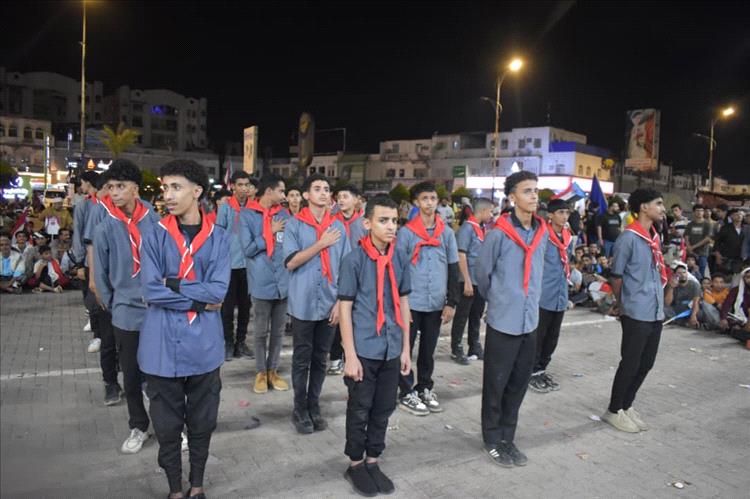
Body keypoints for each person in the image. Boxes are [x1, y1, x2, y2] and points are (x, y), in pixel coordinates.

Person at [138, 159, 230, 499]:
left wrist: (173, 283)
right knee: (167, 427)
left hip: (205, 347)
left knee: (202, 422)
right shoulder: (154, 235)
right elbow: (151, 290)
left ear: (197, 191)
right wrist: (198, 301)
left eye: (176, 187)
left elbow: (218, 291)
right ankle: (175, 489)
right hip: (161, 346)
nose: (168, 195)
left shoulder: (219, 238)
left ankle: (197, 485)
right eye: (165, 188)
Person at [337, 195, 411, 497]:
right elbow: (345, 309)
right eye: (383, 220)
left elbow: (403, 303)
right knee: (359, 409)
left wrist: (406, 349)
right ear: (367, 223)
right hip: (364, 350)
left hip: (391, 347)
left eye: (394, 220)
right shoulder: (354, 260)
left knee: (384, 408)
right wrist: (350, 356)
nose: (391, 226)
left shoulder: (399, 256)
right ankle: (355, 464)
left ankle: (373, 459)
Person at [476, 171, 547, 467]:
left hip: (530, 320)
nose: (534, 196)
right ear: (512, 197)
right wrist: (500, 299)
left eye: (535, 190)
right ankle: (492, 438)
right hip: (504, 320)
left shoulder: (542, 232)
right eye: (527, 191)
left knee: (518, 383)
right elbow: (483, 274)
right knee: (496, 383)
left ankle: (508, 436)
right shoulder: (499, 233)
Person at [93, 159, 162, 454]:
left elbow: (168, 263)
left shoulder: (156, 222)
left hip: (156, 310)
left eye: (120, 186)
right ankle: (139, 426)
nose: (114, 192)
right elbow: (101, 275)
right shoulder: (106, 226)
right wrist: (116, 304)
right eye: (110, 187)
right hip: (125, 312)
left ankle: (170, 426)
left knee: (162, 376)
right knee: (131, 377)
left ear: (135, 188)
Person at [283, 174, 350, 434]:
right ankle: (299, 408)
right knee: (302, 359)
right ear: (306, 195)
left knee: (321, 359)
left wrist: (340, 302)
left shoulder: (338, 227)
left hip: (330, 303)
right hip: (303, 303)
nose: (323, 193)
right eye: (317, 188)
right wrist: (321, 244)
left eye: (326, 189)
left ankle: (314, 405)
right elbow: (291, 262)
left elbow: (346, 268)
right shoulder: (294, 225)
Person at [604, 188, 666, 433]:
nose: (662, 208)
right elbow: (616, 276)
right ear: (643, 207)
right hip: (636, 310)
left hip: (655, 309)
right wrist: (623, 303)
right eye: (658, 203)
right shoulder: (628, 238)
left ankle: (626, 405)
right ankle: (613, 410)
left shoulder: (654, 236)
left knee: (647, 362)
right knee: (630, 362)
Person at [396, 182, 459, 416]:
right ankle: (405, 391)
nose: (430, 203)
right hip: (411, 303)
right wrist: (400, 303)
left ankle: (424, 387)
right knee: (406, 348)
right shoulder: (406, 233)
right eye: (425, 199)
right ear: (416, 202)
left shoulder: (446, 233)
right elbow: (398, 269)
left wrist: (451, 302)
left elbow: (453, 268)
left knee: (428, 351)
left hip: (435, 303)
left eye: (433, 198)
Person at [240, 174, 291, 394]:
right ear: (269, 191)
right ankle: (260, 372)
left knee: (278, 332)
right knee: (260, 332)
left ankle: (273, 371)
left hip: (283, 282)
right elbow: (248, 249)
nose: (284, 195)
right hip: (261, 282)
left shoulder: (284, 215)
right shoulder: (247, 215)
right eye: (281, 191)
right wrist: (268, 232)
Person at [529, 199, 572, 393]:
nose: (564, 216)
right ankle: (531, 372)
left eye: (567, 213)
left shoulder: (567, 237)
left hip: (560, 295)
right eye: (561, 212)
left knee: (552, 337)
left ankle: (541, 369)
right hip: (543, 294)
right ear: (550, 215)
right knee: (538, 336)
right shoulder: (542, 236)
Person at [215, 171, 256, 361]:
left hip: (249, 265)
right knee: (228, 308)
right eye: (240, 185)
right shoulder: (225, 208)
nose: (244, 188)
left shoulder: (254, 208)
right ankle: (228, 344)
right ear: (232, 186)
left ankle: (241, 342)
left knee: (245, 308)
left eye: (247, 185)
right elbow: (219, 235)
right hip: (229, 265)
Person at [328, 184, 368, 375]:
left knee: (356, 317)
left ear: (356, 199)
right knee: (337, 318)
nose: (341, 200)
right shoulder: (331, 221)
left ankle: (353, 356)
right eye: (339, 197)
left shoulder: (363, 224)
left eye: (345, 196)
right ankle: (335, 358)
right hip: (335, 275)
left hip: (359, 276)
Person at [450, 198, 492, 365]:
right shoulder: (467, 228)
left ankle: (474, 346)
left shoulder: (481, 229)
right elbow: (461, 255)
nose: (491, 215)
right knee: (462, 316)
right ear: (482, 211)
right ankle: (456, 348)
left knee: (476, 315)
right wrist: (466, 280)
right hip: (468, 281)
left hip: (479, 281)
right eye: (490, 211)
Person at [664, 263, 702, 328]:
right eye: (679, 273)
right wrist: (671, 288)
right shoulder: (671, 284)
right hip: (675, 310)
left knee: (700, 312)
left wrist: (693, 315)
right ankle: (683, 322)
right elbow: (667, 303)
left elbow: (696, 302)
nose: (682, 275)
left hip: (690, 310)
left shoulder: (694, 285)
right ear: (675, 275)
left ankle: (684, 322)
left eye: (684, 272)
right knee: (663, 311)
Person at [719, 268, 750, 345]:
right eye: (748, 277)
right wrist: (723, 318)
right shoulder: (735, 290)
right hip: (739, 320)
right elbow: (726, 305)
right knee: (736, 328)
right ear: (743, 278)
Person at [714, 209, 746, 276]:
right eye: (736, 214)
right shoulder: (725, 228)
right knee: (725, 276)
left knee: (738, 278)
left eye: (741, 214)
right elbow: (717, 241)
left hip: (740, 258)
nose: (739, 216)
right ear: (731, 216)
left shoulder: (746, 229)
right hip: (726, 257)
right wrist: (717, 255)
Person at [685, 204, 712, 279]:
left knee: (700, 273)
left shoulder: (707, 224)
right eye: (697, 211)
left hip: (702, 253)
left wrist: (693, 247)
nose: (699, 212)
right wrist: (689, 248)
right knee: (689, 273)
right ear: (693, 212)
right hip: (691, 253)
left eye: (701, 211)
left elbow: (707, 239)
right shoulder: (690, 224)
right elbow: (686, 237)